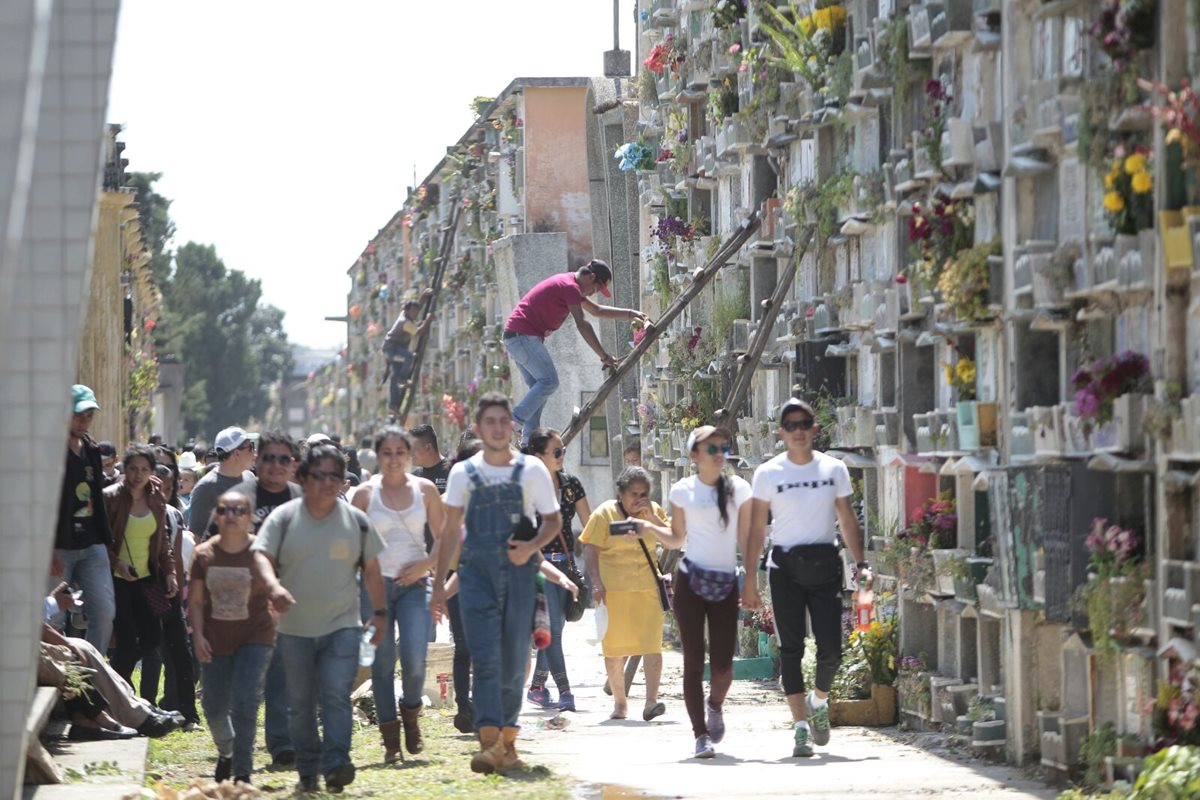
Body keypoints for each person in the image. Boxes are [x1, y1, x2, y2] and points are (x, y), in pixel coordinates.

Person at [430, 393, 562, 775]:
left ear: (512, 426)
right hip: (475, 574)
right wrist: (439, 587)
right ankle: (490, 742)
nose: (499, 428)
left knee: (512, 659)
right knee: (484, 657)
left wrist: (531, 549)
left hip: (519, 572)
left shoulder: (532, 470)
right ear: (478, 428)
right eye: (490, 421)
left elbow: (551, 523)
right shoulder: (462, 474)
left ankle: (506, 742)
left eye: (504, 421)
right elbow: (450, 532)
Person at [252, 444, 387, 794]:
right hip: (294, 630)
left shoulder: (356, 521)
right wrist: (273, 587)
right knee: (301, 703)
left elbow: (372, 569)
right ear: (302, 477)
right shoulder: (284, 518)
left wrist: (381, 614)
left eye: (335, 476)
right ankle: (308, 771)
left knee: (335, 695)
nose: (328, 483)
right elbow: (262, 557)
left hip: (342, 626)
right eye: (319, 475)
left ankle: (337, 763)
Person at [746, 398, 871, 759]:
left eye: (804, 424)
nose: (798, 430)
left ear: (814, 430)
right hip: (784, 566)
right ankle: (800, 728)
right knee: (791, 649)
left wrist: (860, 563)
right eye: (791, 425)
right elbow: (757, 527)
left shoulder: (833, 469)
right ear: (781, 432)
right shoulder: (768, 473)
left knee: (832, 649)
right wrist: (751, 581)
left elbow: (846, 519)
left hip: (825, 564)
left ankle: (819, 701)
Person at [350, 426, 445, 762]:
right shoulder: (363, 494)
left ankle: (411, 714)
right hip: (375, 588)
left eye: (399, 453)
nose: (393, 460)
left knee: (415, 658)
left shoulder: (426, 490)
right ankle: (391, 740)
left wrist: (426, 567)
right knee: (382, 663)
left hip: (416, 586)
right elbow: (354, 547)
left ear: (410, 454)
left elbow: (446, 540)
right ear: (378, 456)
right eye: (386, 453)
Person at [191, 490, 294, 785]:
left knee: (246, 701)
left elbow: (272, 580)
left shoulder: (261, 552)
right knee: (213, 707)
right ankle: (227, 751)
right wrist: (198, 636)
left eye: (239, 511)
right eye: (225, 510)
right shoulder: (203, 555)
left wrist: (278, 594)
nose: (231, 516)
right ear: (216, 515)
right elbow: (196, 602)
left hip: (256, 634)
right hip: (215, 636)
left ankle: (243, 773)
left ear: (250, 518)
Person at [668, 426, 753, 758]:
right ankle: (699, 734)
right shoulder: (681, 490)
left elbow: (746, 538)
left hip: (725, 582)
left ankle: (715, 704)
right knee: (692, 660)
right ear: (694, 456)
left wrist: (751, 582)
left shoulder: (739, 488)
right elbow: (677, 539)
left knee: (723, 667)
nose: (720, 454)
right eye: (711, 448)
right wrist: (648, 528)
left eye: (723, 448)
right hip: (690, 581)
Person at [503, 260, 647, 441]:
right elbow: (582, 324)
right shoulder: (569, 286)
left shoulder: (570, 285)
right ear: (591, 277)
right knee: (548, 382)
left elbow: (597, 310)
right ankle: (514, 422)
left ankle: (528, 439)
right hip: (522, 336)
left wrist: (630, 313)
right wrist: (603, 355)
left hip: (518, 338)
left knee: (539, 390)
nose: (592, 294)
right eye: (594, 289)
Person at [229, 430, 303, 766]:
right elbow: (217, 547)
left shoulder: (303, 499)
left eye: (283, 459)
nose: (275, 465)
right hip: (246, 599)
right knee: (245, 681)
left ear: (293, 464)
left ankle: (281, 742)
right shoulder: (239, 497)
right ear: (257, 459)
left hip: (288, 598)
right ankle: (234, 745)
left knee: (281, 676)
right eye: (269, 458)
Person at [580, 466, 673, 722]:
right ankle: (620, 703)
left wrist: (651, 519)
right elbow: (590, 548)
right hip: (614, 592)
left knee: (652, 646)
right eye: (633, 493)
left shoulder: (654, 511)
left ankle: (651, 701)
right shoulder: (604, 514)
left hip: (648, 590)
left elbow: (670, 540)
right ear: (620, 493)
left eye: (643, 493)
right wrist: (596, 583)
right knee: (614, 649)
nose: (638, 498)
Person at [521, 428, 591, 713]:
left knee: (556, 629)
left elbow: (591, 521)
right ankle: (565, 691)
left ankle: (538, 687)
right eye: (557, 451)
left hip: (565, 564)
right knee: (553, 633)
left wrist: (580, 543)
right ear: (539, 457)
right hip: (538, 565)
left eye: (564, 450)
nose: (563, 456)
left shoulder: (571, 484)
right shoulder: (525, 487)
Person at [104, 445, 179, 693]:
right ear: (124, 469)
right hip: (118, 578)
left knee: (152, 637)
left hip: (148, 578)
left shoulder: (156, 498)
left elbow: (163, 540)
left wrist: (170, 572)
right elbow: (101, 541)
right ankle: (120, 693)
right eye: (133, 468)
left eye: (144, 469)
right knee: (126, 639)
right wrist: (117, 563)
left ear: (151, 472)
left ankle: (115, 676)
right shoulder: (111, 497)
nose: (138, 474)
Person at [52, 385, 116, 653]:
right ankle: (56, 678)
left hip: (91, 545)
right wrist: (47, 550)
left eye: (89, 415)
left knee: (103, 613)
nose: (84, 421)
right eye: (79, 415)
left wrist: (106, 543)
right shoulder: (50, 451)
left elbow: (97, 499)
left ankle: (91, 675)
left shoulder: (91, 449)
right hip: (58, 548)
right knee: (53, 617)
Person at [190, 426, 256, 542]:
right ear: (236, 453)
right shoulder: (205, 488)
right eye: (250, 447)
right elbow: (196, 537)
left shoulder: (250, 477)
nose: (254, 453)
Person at [382, 288, 434, 414]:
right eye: (413, 312)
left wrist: (423, 297)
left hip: (395, 349)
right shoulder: (404, 322)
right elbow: (419, 332)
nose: (415, 315)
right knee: (409, 357)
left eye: (416, 312)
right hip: (391, 349)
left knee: (395, 376)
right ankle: (403, 380)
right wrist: (428, 320)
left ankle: (393, 405)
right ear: (407, 311)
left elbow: (416, 307)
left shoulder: (406, 314)